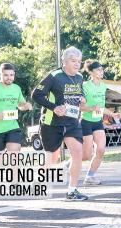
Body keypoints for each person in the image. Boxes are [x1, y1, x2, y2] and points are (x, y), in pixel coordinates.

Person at [32, 47, 89, 201]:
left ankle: (72, 190)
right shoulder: (54, 76)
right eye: (73, 61)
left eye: (79, 61)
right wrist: (54, 107)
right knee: (52, 158)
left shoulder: (79, 77)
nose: (77, 64)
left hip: (71, 122)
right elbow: (36, 94)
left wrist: (83, 98)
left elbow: (80, 92)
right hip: (52, 123)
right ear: (64, 62)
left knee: (78, 153)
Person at [80, 60, 120, 185]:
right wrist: (91, 108)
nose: (101, 72)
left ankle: (90, 176)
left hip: (97, 122)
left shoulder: (103, 87)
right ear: (91, 72)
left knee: (101, 150)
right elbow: (81, 107)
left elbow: (101, 107)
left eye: (102, 69)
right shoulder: (85, 86)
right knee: (86, 155)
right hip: (86, 122)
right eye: (98, 70)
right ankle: (70, 164)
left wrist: (112, 114)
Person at [0, 63, 32, 152]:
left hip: (12, 127)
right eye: (6, 75)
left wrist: (26, 105)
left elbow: (20, 105)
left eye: (11, 75)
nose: (9, 77)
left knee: (14, 154)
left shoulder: (16, 88)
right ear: (0, 74)